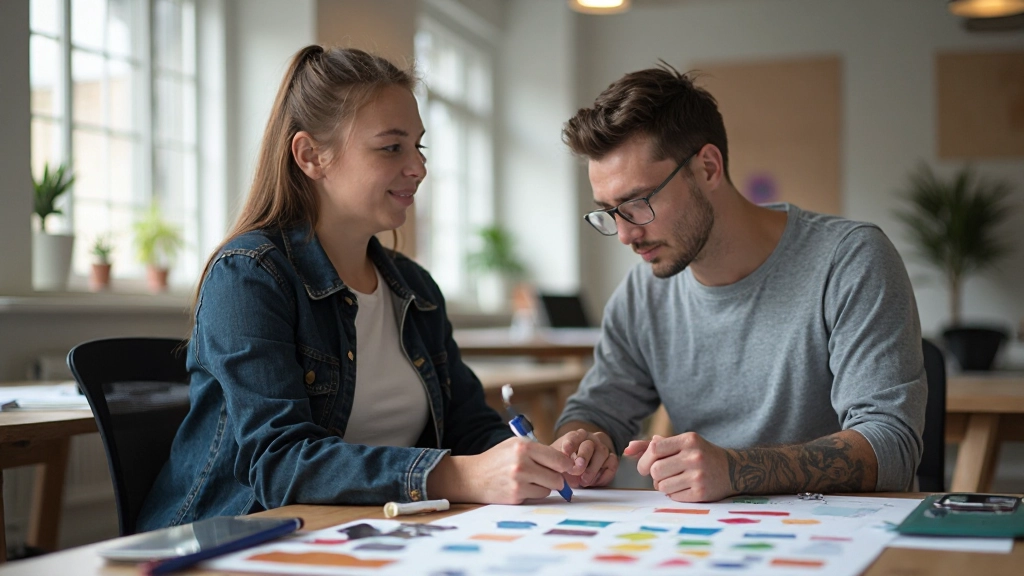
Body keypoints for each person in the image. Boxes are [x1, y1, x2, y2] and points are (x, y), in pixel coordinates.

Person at [138, 46, 579, 531]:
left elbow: (468, 424)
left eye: (419, 146)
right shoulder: (249, 275)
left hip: (367, 532)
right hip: (236, 540)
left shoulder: (415, 287)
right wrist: (457, 474)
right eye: (392, 147)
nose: (419, 167)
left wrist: (531, 460)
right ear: (311, 156)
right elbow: (282, 462)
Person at [552, 64, 926, 502]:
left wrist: (736, 469)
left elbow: (892, 446)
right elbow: (595, 411)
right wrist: (582, 444)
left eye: (637, 203)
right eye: (610, 211)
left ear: (708, 168)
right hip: (707, 542)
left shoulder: (850, 260)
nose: (625, 234)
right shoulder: (643, 295)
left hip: (845, 540)